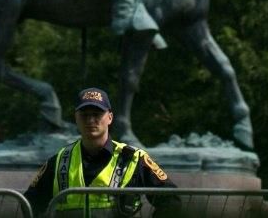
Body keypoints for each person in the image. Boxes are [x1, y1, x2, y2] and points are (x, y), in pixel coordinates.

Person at [24, 87, 180, 217]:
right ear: (76, 118)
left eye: (97, 114)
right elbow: (29, 204)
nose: (90, 120)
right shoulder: (59, 160)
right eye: (84, 115)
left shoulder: (133, 158)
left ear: (110, 118)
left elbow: (171, 200)